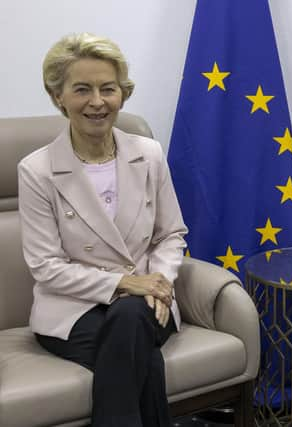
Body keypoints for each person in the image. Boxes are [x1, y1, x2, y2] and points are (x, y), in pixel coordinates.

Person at [18, 33, 187, 427]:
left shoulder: (149, 154)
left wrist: (158, 281)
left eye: (107, 89)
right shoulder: (37, 170)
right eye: (82, 90)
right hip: (71, 312)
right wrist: (129, 283)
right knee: (138, 349)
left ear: (122, 95)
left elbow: (170, 234)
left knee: (129, 321)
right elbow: (46, 267)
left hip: (146, 302)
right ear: (57, 96)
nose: (97, 102)